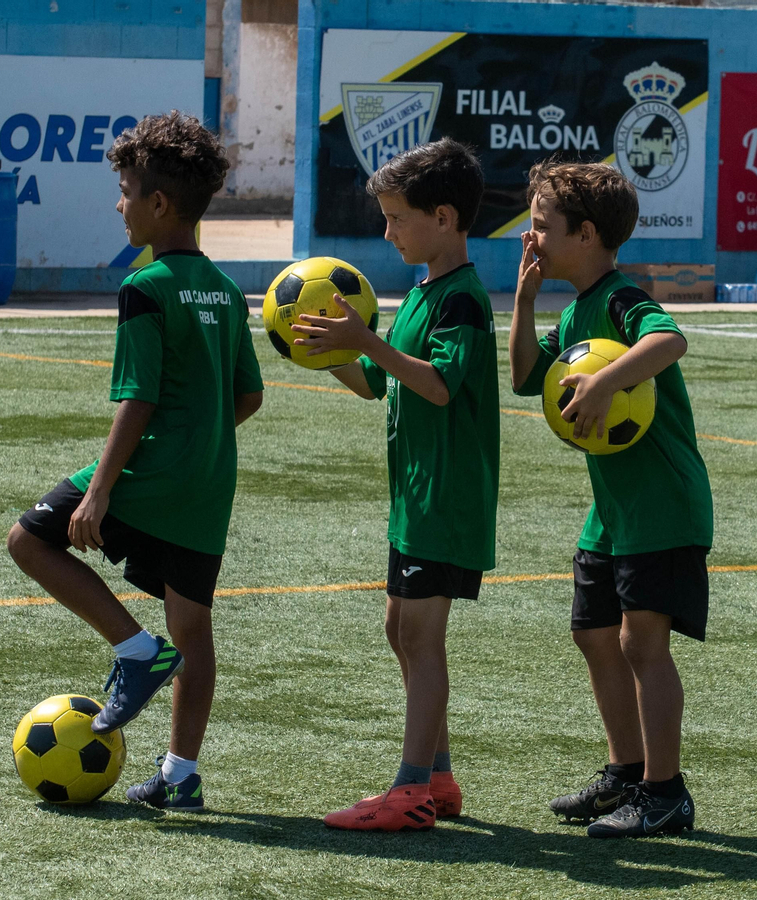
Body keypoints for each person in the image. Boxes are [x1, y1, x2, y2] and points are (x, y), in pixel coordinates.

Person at [6, 111, 263, 813]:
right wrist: (201, 438)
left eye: (124, 190)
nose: (118, 203)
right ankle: (180, 776)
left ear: (157, 204)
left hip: (152, 474)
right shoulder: (222, 287)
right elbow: (249, 395)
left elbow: (138, 399)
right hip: (210, 484)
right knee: (194, 629)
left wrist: (102, 492)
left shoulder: (145, 288)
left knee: (29, 539)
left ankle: (132, 650)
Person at [292, 138, 499, 831]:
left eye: (396, 218)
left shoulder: (463, 301)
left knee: (421, 635)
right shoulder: (421, 292)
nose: (387, 232)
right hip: (415, 498)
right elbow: (380, 383)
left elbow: (439, 386)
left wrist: (368, 341)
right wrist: (326, 351)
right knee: (399, 628)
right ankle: (437, 778)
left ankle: (409, 791)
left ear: (444, 217)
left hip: (446, 500)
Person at [508, 160, 713, 838]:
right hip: (614, 510)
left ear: (587, 234)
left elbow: (668, 339)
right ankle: (626, 773)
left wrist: (602, 384)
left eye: (541, 229)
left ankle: (665, 793)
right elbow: (524, 378)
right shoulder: (573, 313)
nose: (530, 239)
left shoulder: (622, 299)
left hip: (661, 502)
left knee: (641, 642)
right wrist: (524, 300)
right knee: (592, 634)